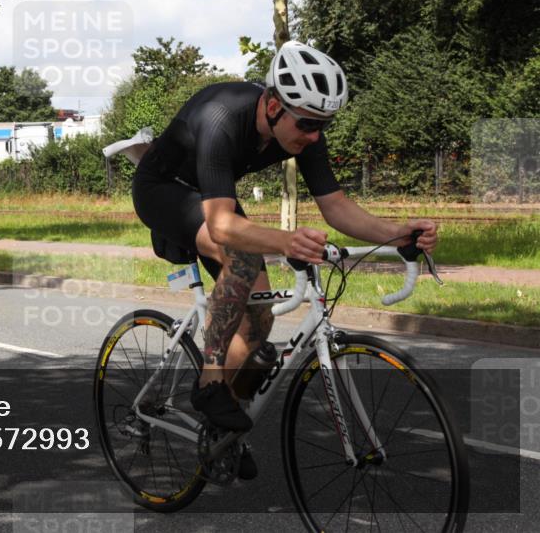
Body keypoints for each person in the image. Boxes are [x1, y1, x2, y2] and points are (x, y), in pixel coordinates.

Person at [130, 40, 438, 478]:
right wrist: (285, 241)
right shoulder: (222, 115)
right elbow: (220, 225)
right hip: (162, 189)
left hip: (208, 194)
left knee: (259, 320)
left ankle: (220, 427)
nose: (314, 136)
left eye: (324, 125)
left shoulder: (303, 127)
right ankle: (210, 382)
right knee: (240, 259)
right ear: (273, 105)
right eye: (309, 124)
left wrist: (398, 232)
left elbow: (336, 206)